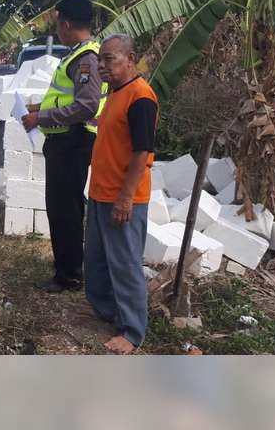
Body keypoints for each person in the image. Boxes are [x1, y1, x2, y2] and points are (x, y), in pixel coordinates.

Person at [22, 0, 107, 293]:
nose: (57, 29)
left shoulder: (86, 59)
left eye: (58, 23)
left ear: (67, 24)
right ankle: (67, 266)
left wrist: (41, 118)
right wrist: (38, 108)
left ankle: (69, 275)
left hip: (73, 140)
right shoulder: (79, 55)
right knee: (62, 205)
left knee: (65, 208)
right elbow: (67, 97)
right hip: (66, 139)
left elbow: (86, 105)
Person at [85, 34, 159, 354]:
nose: (102, 65)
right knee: (97, 260)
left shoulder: (140, 96)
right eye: (99, 59)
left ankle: (131, 332)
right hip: (100, 193)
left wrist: (125, 197)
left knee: (125, 265)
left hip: (123, 198)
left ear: (130, 59)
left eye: (109, 59)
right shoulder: (115, 93)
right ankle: (109, 311)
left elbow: (143, 152)